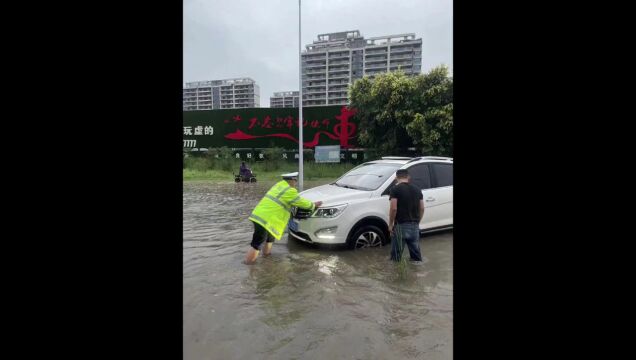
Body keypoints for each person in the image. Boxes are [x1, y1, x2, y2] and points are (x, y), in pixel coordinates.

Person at [244, 172, 322, 264]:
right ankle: (249, 267)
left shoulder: (278, 186)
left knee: (270, 239)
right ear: (292, 180)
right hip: (264, 219)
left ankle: (266, 259)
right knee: (257, 245)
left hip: (264, 218)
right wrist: (313, 205)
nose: (295, 183)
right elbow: (301, 202)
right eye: (295, 181)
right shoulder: (289, 190)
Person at [388, 168, 424, 262]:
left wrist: (390, 225)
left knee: (395, 259)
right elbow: (422, 208)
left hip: (400, 226)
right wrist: (417, 222)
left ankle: (397, 275)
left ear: (396, 178)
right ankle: (417, 275)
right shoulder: (417, 189)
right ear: (408, 177)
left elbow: (393, 208)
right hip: (415, 226)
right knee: (416, 259)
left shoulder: (395, 189)